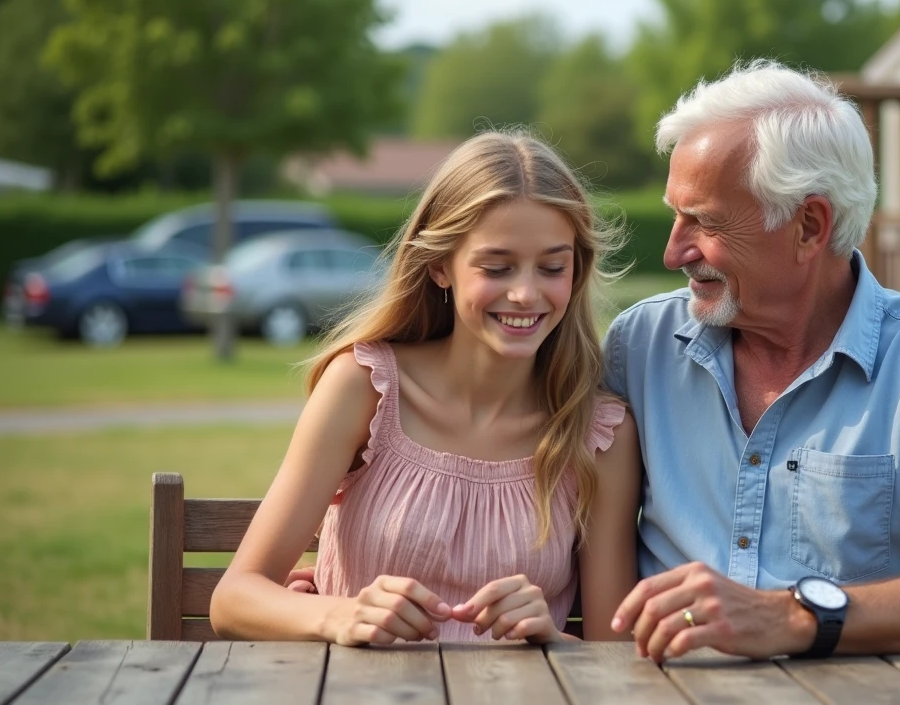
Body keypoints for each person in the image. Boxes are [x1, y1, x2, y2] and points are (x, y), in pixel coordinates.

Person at [603, 61, 900, 662]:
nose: (674, 249)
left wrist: (792, 615)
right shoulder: (638, 346)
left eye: (704, 221)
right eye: (676, 215)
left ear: (809, 226)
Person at [210, 131, 640, 645]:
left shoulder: (600, 435)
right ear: (440, 266)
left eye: (552, 267)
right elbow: (234, 598)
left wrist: (551, 638)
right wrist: (339, 616)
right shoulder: (364, 389)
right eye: (496, 267)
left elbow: (614, 657)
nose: (526, 294)